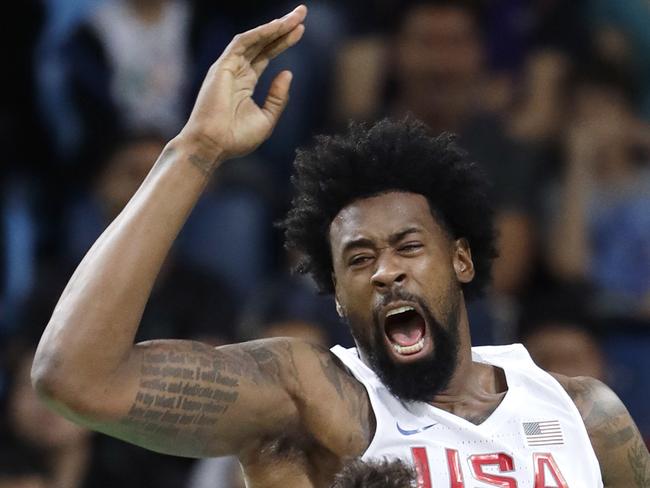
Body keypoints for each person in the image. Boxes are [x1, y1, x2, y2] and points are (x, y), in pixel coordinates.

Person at [31, 5, 649, 487]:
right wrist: (195, 151)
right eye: (358, 259)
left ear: (462, 259)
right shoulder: (312, 399)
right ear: (336, 298)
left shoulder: (585, 414)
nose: (385, 273)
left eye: (408, 246)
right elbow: (76, 377)